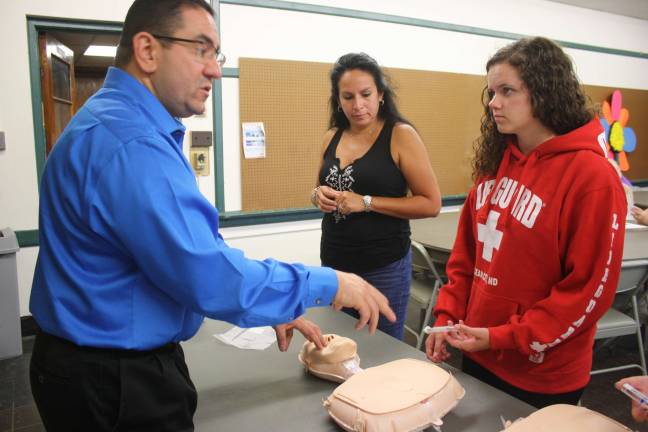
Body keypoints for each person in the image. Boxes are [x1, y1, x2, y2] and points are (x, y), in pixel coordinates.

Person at [28, 1, 395, 431]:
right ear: (147, 51)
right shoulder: (132, 145)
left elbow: (187, 254)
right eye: (201, 49)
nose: (215, 70)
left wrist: (274, 304)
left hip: (86, 367)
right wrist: (331, 282)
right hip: (113, 381)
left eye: (215, 54)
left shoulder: (112, 124)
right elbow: (205, 275)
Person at [425, 37, 627, 408]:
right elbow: (466, 259)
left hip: (540, 371)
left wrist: (506, 336)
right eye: (491, 92)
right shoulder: (495, 163)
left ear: (545, 92)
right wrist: (447, 314)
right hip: (480, 349)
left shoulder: (592, 176)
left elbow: (586, 291)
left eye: (507, 91)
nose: (493, 103)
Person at [311, 53, 441, 340]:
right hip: (334, 262)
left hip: (383, 266)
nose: (357, 105)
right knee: (336, 346)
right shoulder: (332, 135)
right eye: (347, 97)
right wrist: (317, 195)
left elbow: (431, 203)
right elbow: (318, 186)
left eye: (366, 94)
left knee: (379, 349)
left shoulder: (401, 135)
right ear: (338, 99)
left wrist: (366, 201)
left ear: (381, 94)